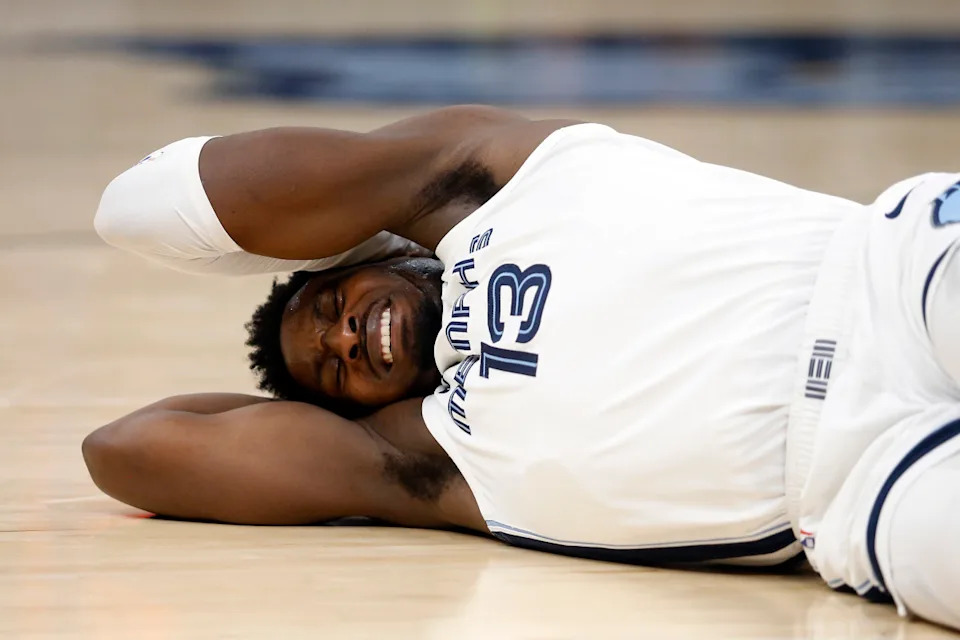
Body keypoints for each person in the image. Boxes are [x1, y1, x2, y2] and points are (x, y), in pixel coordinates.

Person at [84, 106, 960, 630]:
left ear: (367, 249)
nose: (342, 340)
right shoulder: (429, 462)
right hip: (859, 490)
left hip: (895, 275)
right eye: (331, 371)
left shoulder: (483, 184)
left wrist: (343, 231)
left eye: (327, 307)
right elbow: (128, 448)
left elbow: (144, 207)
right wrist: (337, 412)